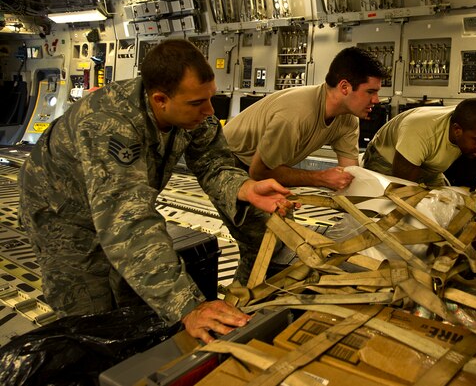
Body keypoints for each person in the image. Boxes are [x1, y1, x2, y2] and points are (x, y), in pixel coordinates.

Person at [18, 39, 294, 344]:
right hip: (63, 215)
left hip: (115, 206)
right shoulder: (110, 124)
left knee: (131, 296)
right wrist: (190, 306)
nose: (209, 110)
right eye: (197, 103)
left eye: (210, 98)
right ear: (161, 100)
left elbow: (214, 164)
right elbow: (128, 222)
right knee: (90, 316)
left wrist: (244, 187)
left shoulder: (194, 114)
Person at [223, 46, 389, 190]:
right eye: (370, 92)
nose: (376, 100)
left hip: (258, 168)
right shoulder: (297, 114)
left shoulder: (348, 119)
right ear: (344, 87)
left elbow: (350, 172)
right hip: (227, 159)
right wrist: (320, 178)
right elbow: (259, 172)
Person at [362, 98, 476, 188]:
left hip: (427, 165)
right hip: (388, 160)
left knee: (445, 207)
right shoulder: (420, 132)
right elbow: (403, 192)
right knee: (388, 213)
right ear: (457, 130)